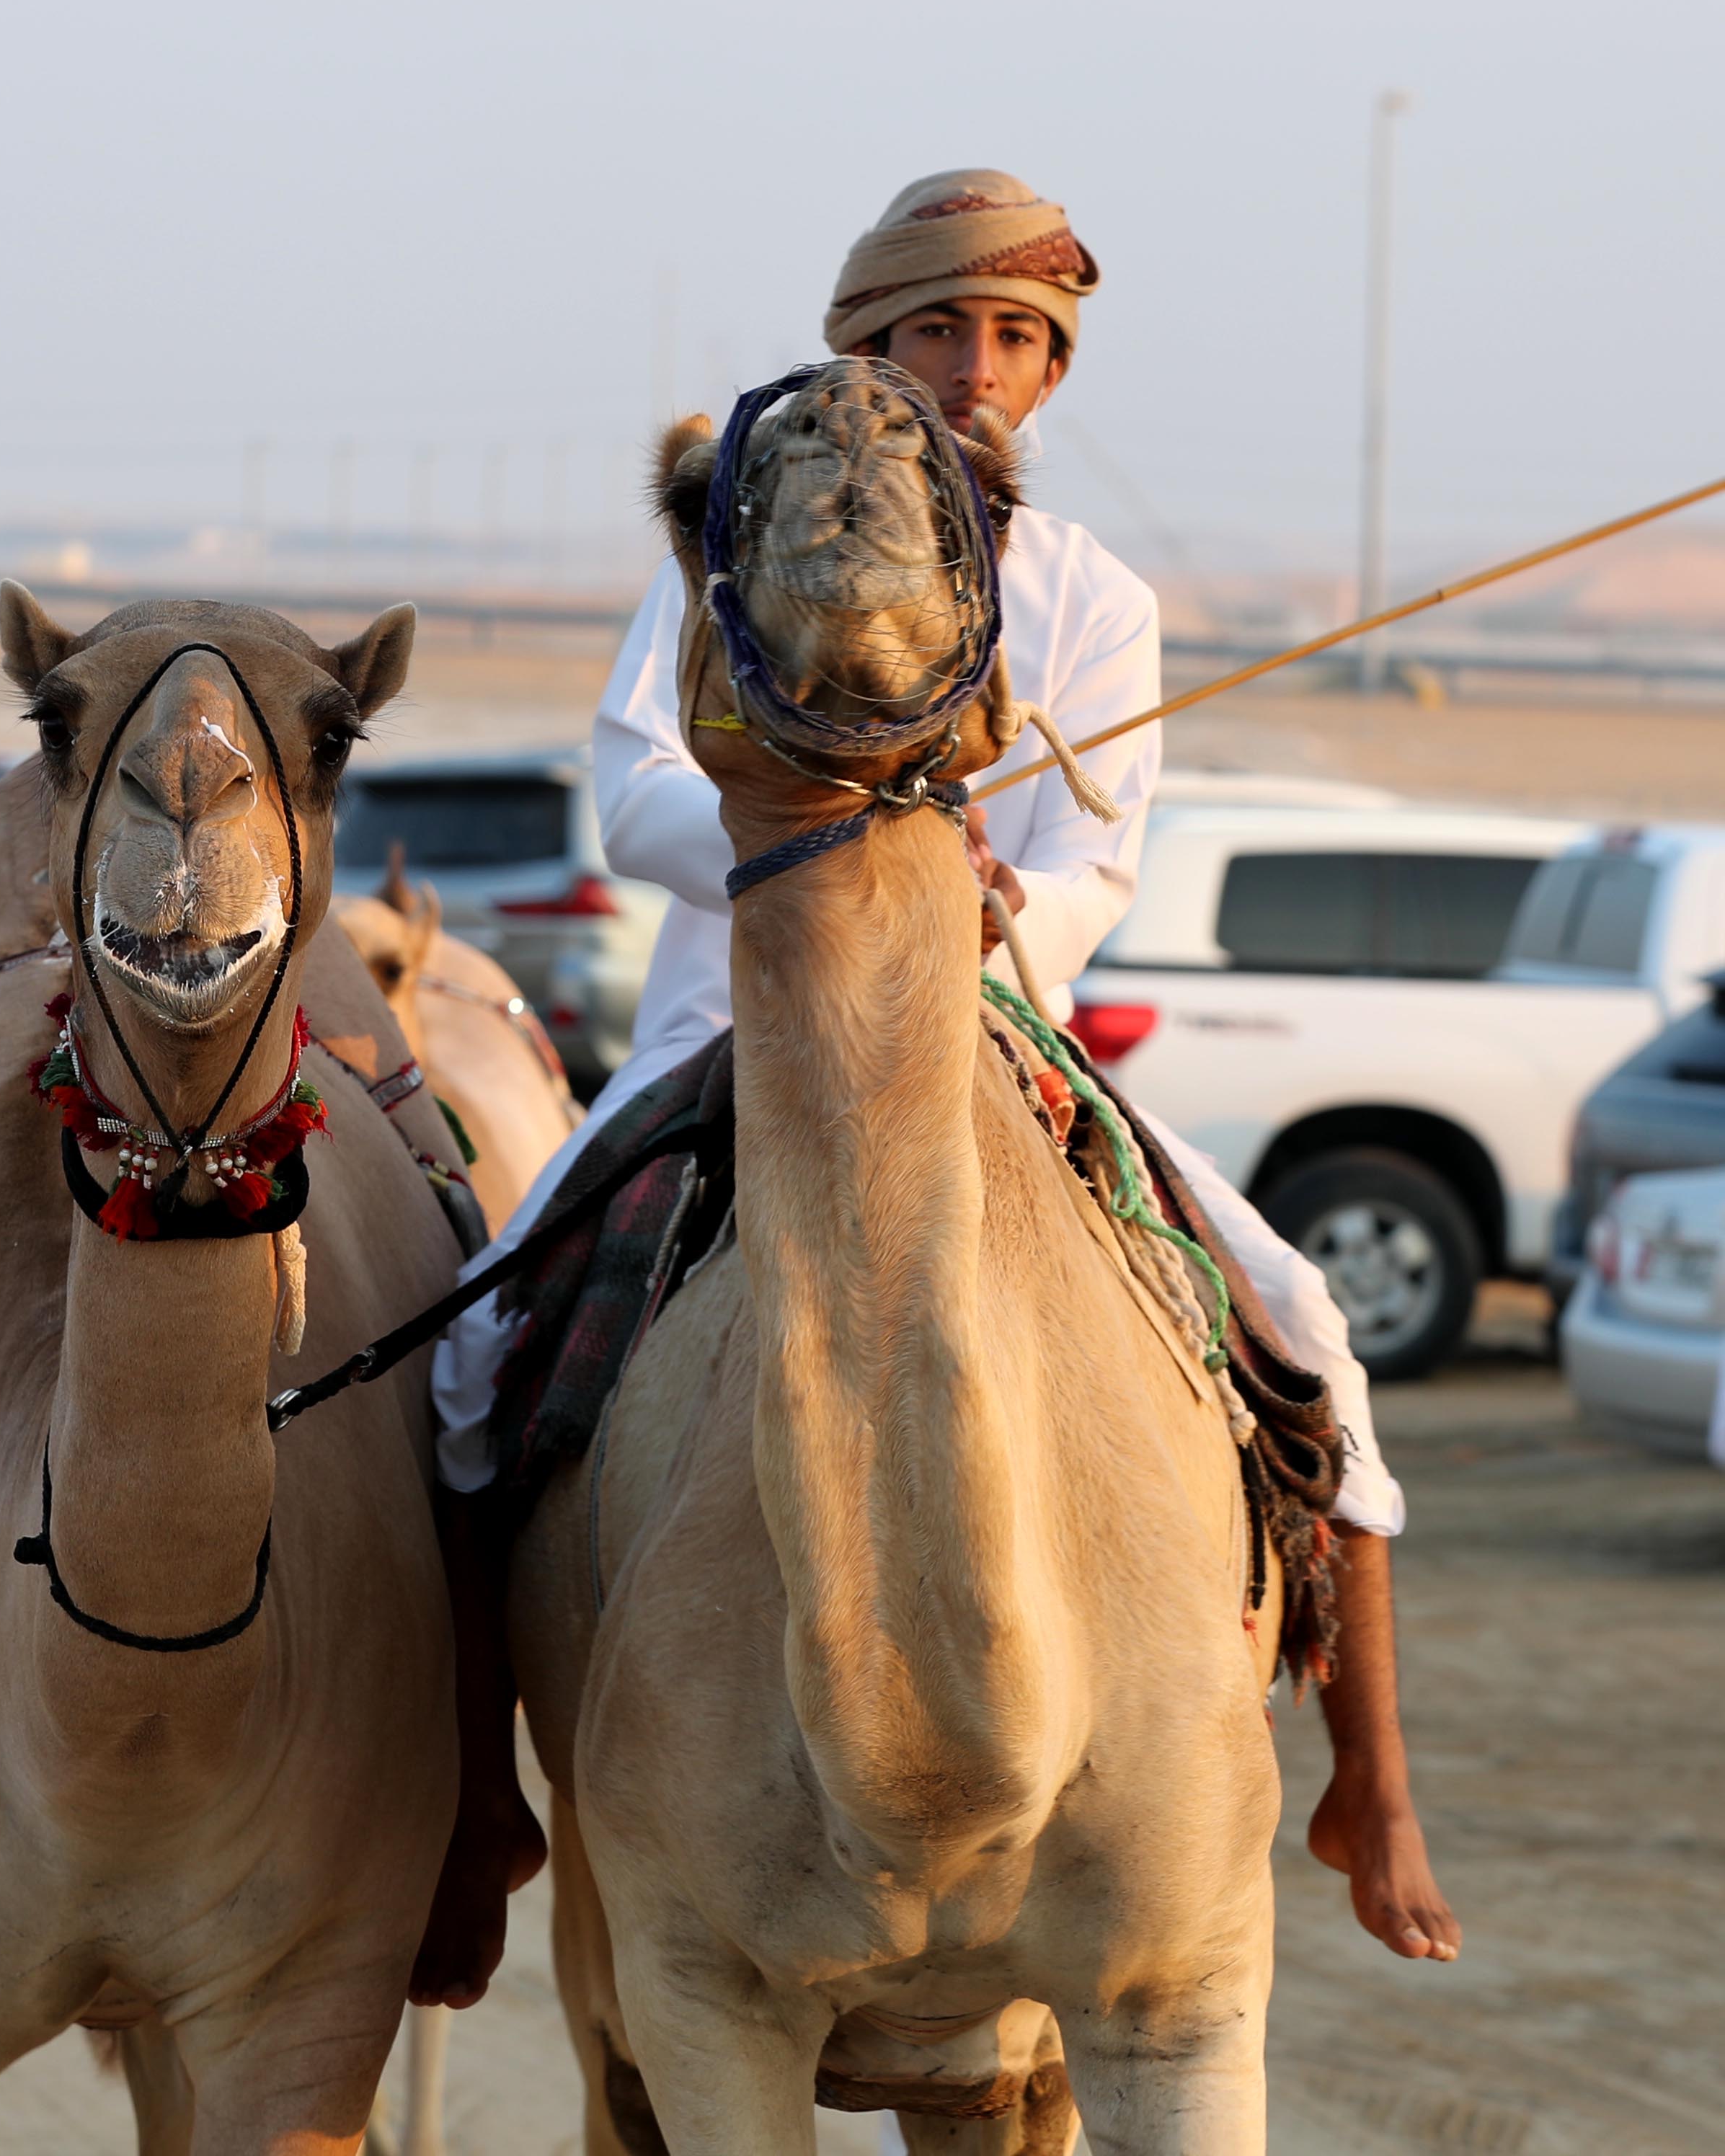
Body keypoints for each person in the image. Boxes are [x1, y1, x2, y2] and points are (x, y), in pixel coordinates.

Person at [414, 172, 1459, 2002]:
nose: (976, 368)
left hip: (992, 1024)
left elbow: (1101, 857)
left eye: (1016, 339)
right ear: (866, 348)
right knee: (468, 1358)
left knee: (1300, 1322)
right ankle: (465, 1802)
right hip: (732, 1023)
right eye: (937, 330)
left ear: (1050, 373)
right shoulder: (730, 535)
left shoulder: (1093, 599)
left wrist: (995, 907)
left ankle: (1368, 1783)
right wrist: (800, 834)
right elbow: (631, 778)